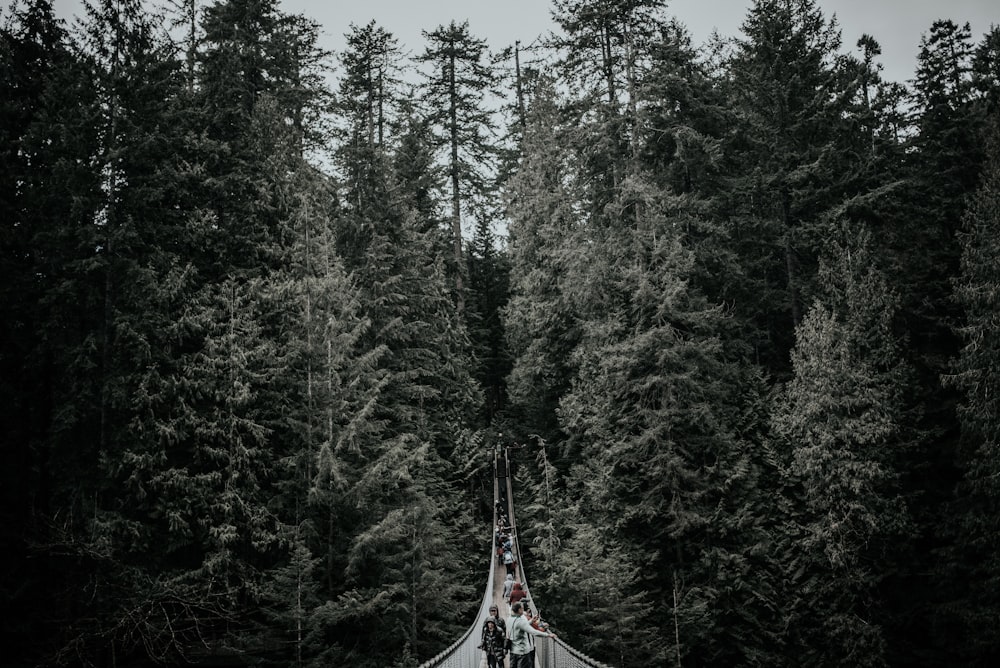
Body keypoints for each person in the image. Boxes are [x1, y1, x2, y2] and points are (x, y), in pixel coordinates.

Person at [507, 602, 555, 668]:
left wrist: (531, 621)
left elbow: (521, 626)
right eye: (522, 608)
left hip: (513, 652)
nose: (523, 610)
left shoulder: (510, 618)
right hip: (522, 653)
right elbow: (533, 632)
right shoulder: (520, 621)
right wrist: (548, 635)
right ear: (519, 610)